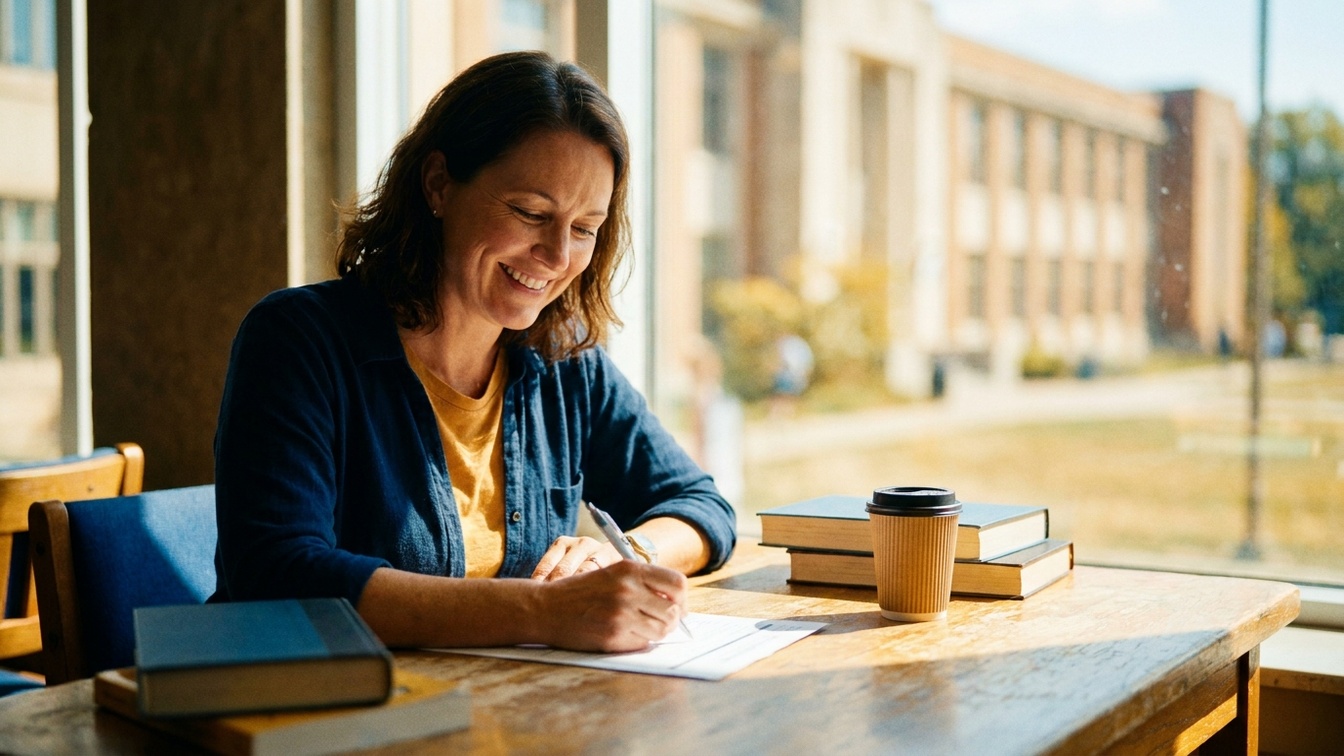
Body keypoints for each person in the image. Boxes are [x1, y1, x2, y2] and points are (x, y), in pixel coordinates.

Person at [212, 51, 736, 653]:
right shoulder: (299, 340)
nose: (559, 255)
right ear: (438, 184)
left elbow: (701, 505)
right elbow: (278, 576)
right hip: (321, 718)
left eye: (585, 228)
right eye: (530, 213)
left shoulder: (564, 359)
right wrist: (543, 612)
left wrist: (620, 557)